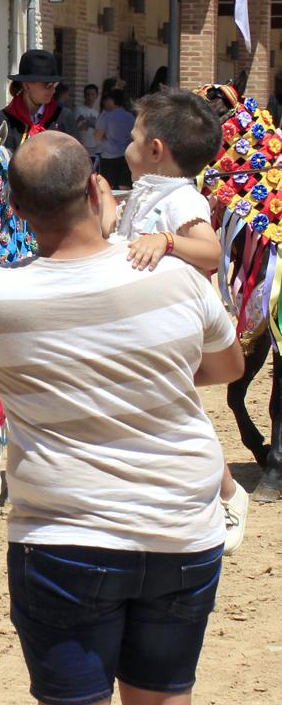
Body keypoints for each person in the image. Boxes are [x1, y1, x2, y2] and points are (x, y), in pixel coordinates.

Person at [0, 131, 242, 705]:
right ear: (98, 189)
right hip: (180, 530)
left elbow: (23, 374)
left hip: (62, 536)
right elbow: (226, 366)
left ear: (14, 207)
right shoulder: (175, 278)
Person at [97, 89, 248, 554]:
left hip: (171, 322)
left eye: (135, 135)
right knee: (162, 409)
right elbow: (114, 238)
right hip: (143, 321)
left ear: (156, 150)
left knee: (176, 410)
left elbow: (209, 251)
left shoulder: (182, 199)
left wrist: (166, 240)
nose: (128, 141)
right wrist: (103, 197)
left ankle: (228, 493)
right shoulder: (148, 191)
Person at [0, 49, 78, 159]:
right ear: (27, 86)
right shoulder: (1, 121)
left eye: (54, 85)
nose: (53, 91)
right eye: (48, 85)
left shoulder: (64, 117)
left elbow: (76, 159)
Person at [94, 89, 135, 190]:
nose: (104, 102)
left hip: (109, 157)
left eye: (106, 100)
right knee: (124, 187)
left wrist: (103, 138)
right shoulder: (130, 116)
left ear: (112, 101)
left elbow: (98, 136)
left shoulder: (106, 116)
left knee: (108, 187)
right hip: (125, 156)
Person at [75, 83, 100, 165]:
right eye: (88, 94)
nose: (90, 97)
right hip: (82, 146)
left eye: (92, 94)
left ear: (96, 96)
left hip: (94, 147)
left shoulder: (96, 113)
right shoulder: (78, 110)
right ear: (84, 96)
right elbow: (76, 128)